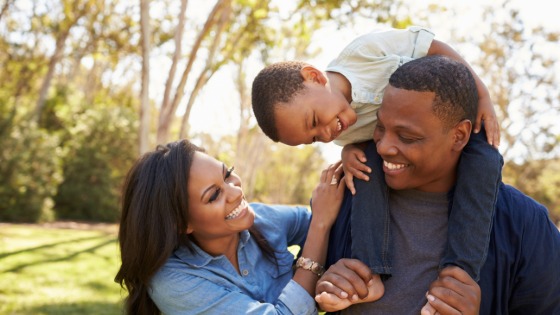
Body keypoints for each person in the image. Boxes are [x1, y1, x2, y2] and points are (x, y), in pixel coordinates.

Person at [251, 26, 503, 297]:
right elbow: (368, 141)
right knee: (363, 170)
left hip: (449, 123)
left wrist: (482, 96)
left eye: (313, 121)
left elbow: (434, 48)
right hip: (401, 151)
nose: (325, 135)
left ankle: (459, 273)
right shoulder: (340, 130)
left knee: (486, 160)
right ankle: (369, 271)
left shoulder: (363, 53)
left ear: (313, 77)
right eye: (313, 138)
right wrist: (349, 151)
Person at [314, 55, 560, 314]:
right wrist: (325, 288)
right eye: (380, 127)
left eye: (407, 137)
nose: (384, 147)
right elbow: (298, 289)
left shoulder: (524, 225)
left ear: (459, 136)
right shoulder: (345, 198)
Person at [114, 139, 353, 314]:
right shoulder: (174, 282)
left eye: (227, 174)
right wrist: (319, 229)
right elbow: (320, 224)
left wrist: (352, 152)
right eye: (214, 195)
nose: (236, 191)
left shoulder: (262, 219)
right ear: (181, 223)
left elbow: (334, 225)